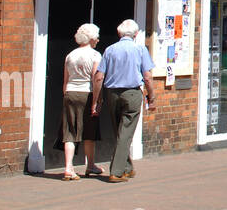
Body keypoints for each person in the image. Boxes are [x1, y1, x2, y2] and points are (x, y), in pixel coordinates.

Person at [91, 19, 156, 182]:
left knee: (119, 132)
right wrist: (152, 96)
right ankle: (116, 172)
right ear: (135, 34)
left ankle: (127, 168)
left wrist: (97, 99)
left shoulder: (109, 50)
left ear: (119, 33)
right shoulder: (140, 49)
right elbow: (147, 77)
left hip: (112, 94)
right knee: (125, 133)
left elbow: (99, 77)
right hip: (132, 93)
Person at [60, 23, 104, 180]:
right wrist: (96, 101)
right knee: (89, 132)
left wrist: (66, 93)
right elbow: (96, 78)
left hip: (70, 93)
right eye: (96, 37)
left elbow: (65, 80)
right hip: (87, 93)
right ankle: (90, 165)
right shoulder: (95, 55)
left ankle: (68, 167)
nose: (98, 40)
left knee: (70, 131)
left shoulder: (70, 55)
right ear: (91, 38)